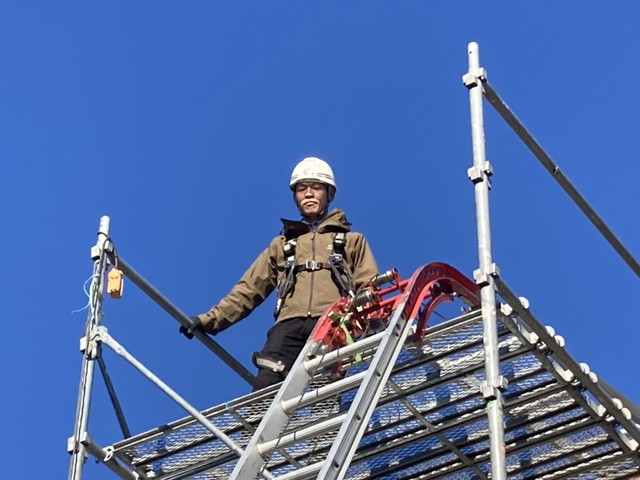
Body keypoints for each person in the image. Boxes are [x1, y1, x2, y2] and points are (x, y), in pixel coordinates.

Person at [182, 157, 379, 390]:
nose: (308, 194)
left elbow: (369, 286)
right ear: (295, 197)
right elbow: (248, 289)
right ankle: (254, 427)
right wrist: (209, 320)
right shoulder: (283, 245)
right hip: (288, 326)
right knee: (266, 387)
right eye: (302, 189)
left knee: (327, 391)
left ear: (329, 194)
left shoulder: (351, 241)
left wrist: (370, 323)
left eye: (316, 188)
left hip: (333, 322)